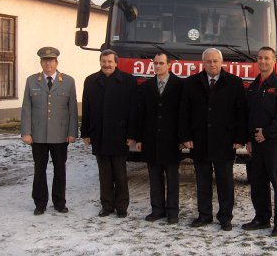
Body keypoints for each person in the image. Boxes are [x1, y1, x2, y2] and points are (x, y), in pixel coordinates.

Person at [179, 48, 246, 231]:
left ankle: (225, 217)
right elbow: (184, 113)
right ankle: (204, 215)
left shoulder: (234, 83)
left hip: (225, 140)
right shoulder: (191, 83)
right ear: (203, 63)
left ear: (221, 62)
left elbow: (241, 113)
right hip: (199, 140)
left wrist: (240, 138)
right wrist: (185, 137)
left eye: (215, 61)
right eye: (208, 61)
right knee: (202, 181)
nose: (212, 64)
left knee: (225, 181)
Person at [242, 46, 277, 237]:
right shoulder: (254, 86)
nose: (263, 61)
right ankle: (262, 218)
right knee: (258, 182)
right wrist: (249, 139)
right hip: (256, 144)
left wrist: (267, 134)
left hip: (274, 144)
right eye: (260, 58)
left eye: (267, 58)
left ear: (274, 61)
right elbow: (249, 115)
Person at [21, 47, 78, 215]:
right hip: (37, 135)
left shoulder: (68, 81)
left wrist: (72, 132)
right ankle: (40, 203)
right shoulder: (32, 81)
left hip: (60, 135)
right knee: (39, 169)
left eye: (51, 60)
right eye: (45, 60)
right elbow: (26, 108)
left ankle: (59, 202)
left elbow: (72, 109)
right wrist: (26, 132)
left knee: (60, 169)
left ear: (57, 62)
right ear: (40, 63)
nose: (48, 63)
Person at [81, 49, 137, 218]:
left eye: (110, 62)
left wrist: (132, 134)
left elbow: (133, 110)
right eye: (103, 61)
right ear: (100, 62)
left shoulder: (128, 81)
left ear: (116, 63)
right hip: (99, 134)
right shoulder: (91, 81)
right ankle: (106, 206)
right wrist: (86, 133)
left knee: (120, 173)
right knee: (104, 174)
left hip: (120, 135)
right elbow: (86, 108)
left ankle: (121, 207)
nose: (106, 65)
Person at [136, 52, 183, 224]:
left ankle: (172, 212)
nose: (158, 66)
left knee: (172, 179)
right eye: (155, 63)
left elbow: (182, 114)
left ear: (169, 65)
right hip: (151, 140)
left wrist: (182, 138)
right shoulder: (147, 86)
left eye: (161, 63)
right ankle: (157, 210)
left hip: (172, 141)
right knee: (154, 178)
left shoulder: (179, 85)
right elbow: (141, 114)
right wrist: (139, 138)